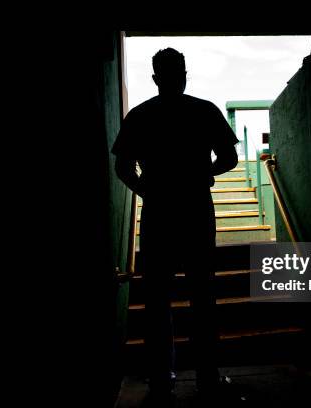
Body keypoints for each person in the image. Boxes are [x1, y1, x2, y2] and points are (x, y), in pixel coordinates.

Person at [112, 48, 239, 404]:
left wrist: (145, 188)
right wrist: (202, 175)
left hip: (158, 214)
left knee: (157, 302)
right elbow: (228, 158)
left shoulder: (140, 115)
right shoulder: (204, 111)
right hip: (197, 210)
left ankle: (161, 381)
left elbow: (122, 168)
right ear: (184, 74)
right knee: (203, 297)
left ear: (156, 78)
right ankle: (208, 379)